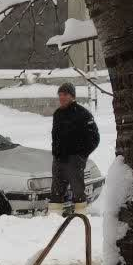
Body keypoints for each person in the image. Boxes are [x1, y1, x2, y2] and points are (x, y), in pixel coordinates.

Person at [50, 82, 100, 215]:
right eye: (60, 95)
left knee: (78, 191)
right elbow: (55, 137)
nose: (62, 97)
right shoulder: (57, 114)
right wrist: (55, 151)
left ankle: (80, 217)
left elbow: (94, 139)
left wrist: (80, 155)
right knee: (56, 191)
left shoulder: (83, 114)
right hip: (59, 159)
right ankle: (54, 219)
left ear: (72, 96)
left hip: (74, 160)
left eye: (65, 94)